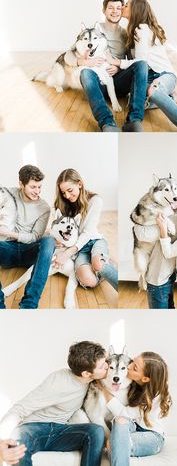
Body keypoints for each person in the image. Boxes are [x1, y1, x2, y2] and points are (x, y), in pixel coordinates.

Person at [0, 341, 108, 466]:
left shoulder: (92, 381)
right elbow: (20, 409)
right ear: (86, 374)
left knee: (95, 431)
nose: (107, 366)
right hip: (35, 427)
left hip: (60, 430)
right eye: (102, 366)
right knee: (17, 448)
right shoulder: (58, 382)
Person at [107, 0, 177, 132]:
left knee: (153, 92)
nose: (122, 7)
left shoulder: (141, 29)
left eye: (126, 5)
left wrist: (118, 62)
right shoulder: (132, 31)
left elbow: (141, 61)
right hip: (148, 76)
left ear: (135, 9)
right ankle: (173, 98)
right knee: (137, 101)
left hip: (163, 74)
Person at [79, 0, 149, 132]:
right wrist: (85, 61)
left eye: (118, 8)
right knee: (85, 72)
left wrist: (117, 66)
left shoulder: (126, 33)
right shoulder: (94, 31)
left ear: (122, 11)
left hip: (118, 81)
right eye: (110, 8)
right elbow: (72, 53)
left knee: (142, 64)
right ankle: (107, 123)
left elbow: (132, 62)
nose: (115, 11)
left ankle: (134, 120)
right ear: (104, 10)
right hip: (99, 82)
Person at [97, 351, 172, 465]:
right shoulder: (133, 383)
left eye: (135, 367)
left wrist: (103, 390)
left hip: (151, 436)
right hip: (133, 427)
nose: (128, 365)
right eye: (132, 361)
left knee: (112, 444)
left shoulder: (154, 395)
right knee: (119, 421)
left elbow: (122, 412)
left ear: (145, 378)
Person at [0, 165, 55, 309]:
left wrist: (8, 233)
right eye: (33, 187)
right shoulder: (8, 194)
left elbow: (35, 237)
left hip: (28, 252)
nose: (37, 191)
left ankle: (29, 304)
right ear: (21, 184)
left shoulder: (44, 207)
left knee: (49, 240)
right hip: (6, 250)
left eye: (39, 187)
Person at [53, 168, 118, 291]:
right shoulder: (62, 204)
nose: (66, 196)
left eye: (70, 190)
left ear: (79, 184)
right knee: (89, 281)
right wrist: (57, 239)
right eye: (63, 192)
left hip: (93, 241)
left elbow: (87, 233)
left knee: (98, 265)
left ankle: (100, 263)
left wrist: (66, 254)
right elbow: (58, 229)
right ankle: (107, 264)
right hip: (79, 250)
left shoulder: (95, 200)